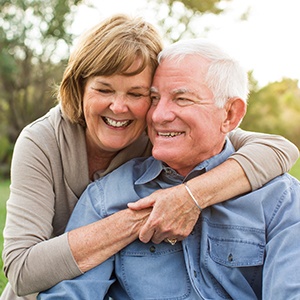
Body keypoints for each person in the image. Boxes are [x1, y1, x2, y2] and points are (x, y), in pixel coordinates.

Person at [1, 14, 299, 300]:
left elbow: (279, 149)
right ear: (79, 89)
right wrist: (150, 214)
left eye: (140, 94)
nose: (120, 107)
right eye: (104, 89)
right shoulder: (52, 150)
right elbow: (24, 270)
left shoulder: (161, 130)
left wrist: (189, 196)